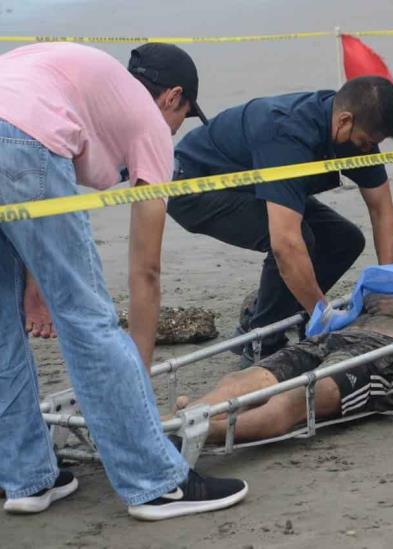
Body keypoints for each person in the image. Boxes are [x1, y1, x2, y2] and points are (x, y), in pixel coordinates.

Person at [0, 42, 247, 521]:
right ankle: (156, 484)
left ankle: (27, 477)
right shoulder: (150, 121)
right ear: (172, 98)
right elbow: (145, 270)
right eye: (182, 116)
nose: (174, 129)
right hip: (24, 137)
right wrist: (137, 371)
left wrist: (35, 285)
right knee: (88, 319)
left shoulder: (83, 82)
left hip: (13, 126)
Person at [167, 77, 393, 365]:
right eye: (364, 143)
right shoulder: (289, 134)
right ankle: (261, 342)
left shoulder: (358, 134)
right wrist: (324, 312)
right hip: (193, 187)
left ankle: (268, 312)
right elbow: (285, 244)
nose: (366, 150)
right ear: (344, 121)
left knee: (346, 240)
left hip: (254, 179)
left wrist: (391, 290)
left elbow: (383, 211)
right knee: (298, 240)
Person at [173, 294, 393, 443]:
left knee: (299, 398)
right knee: (246, 378)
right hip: (338, 337)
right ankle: (190, 415)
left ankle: (205, 431)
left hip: (385, 356)